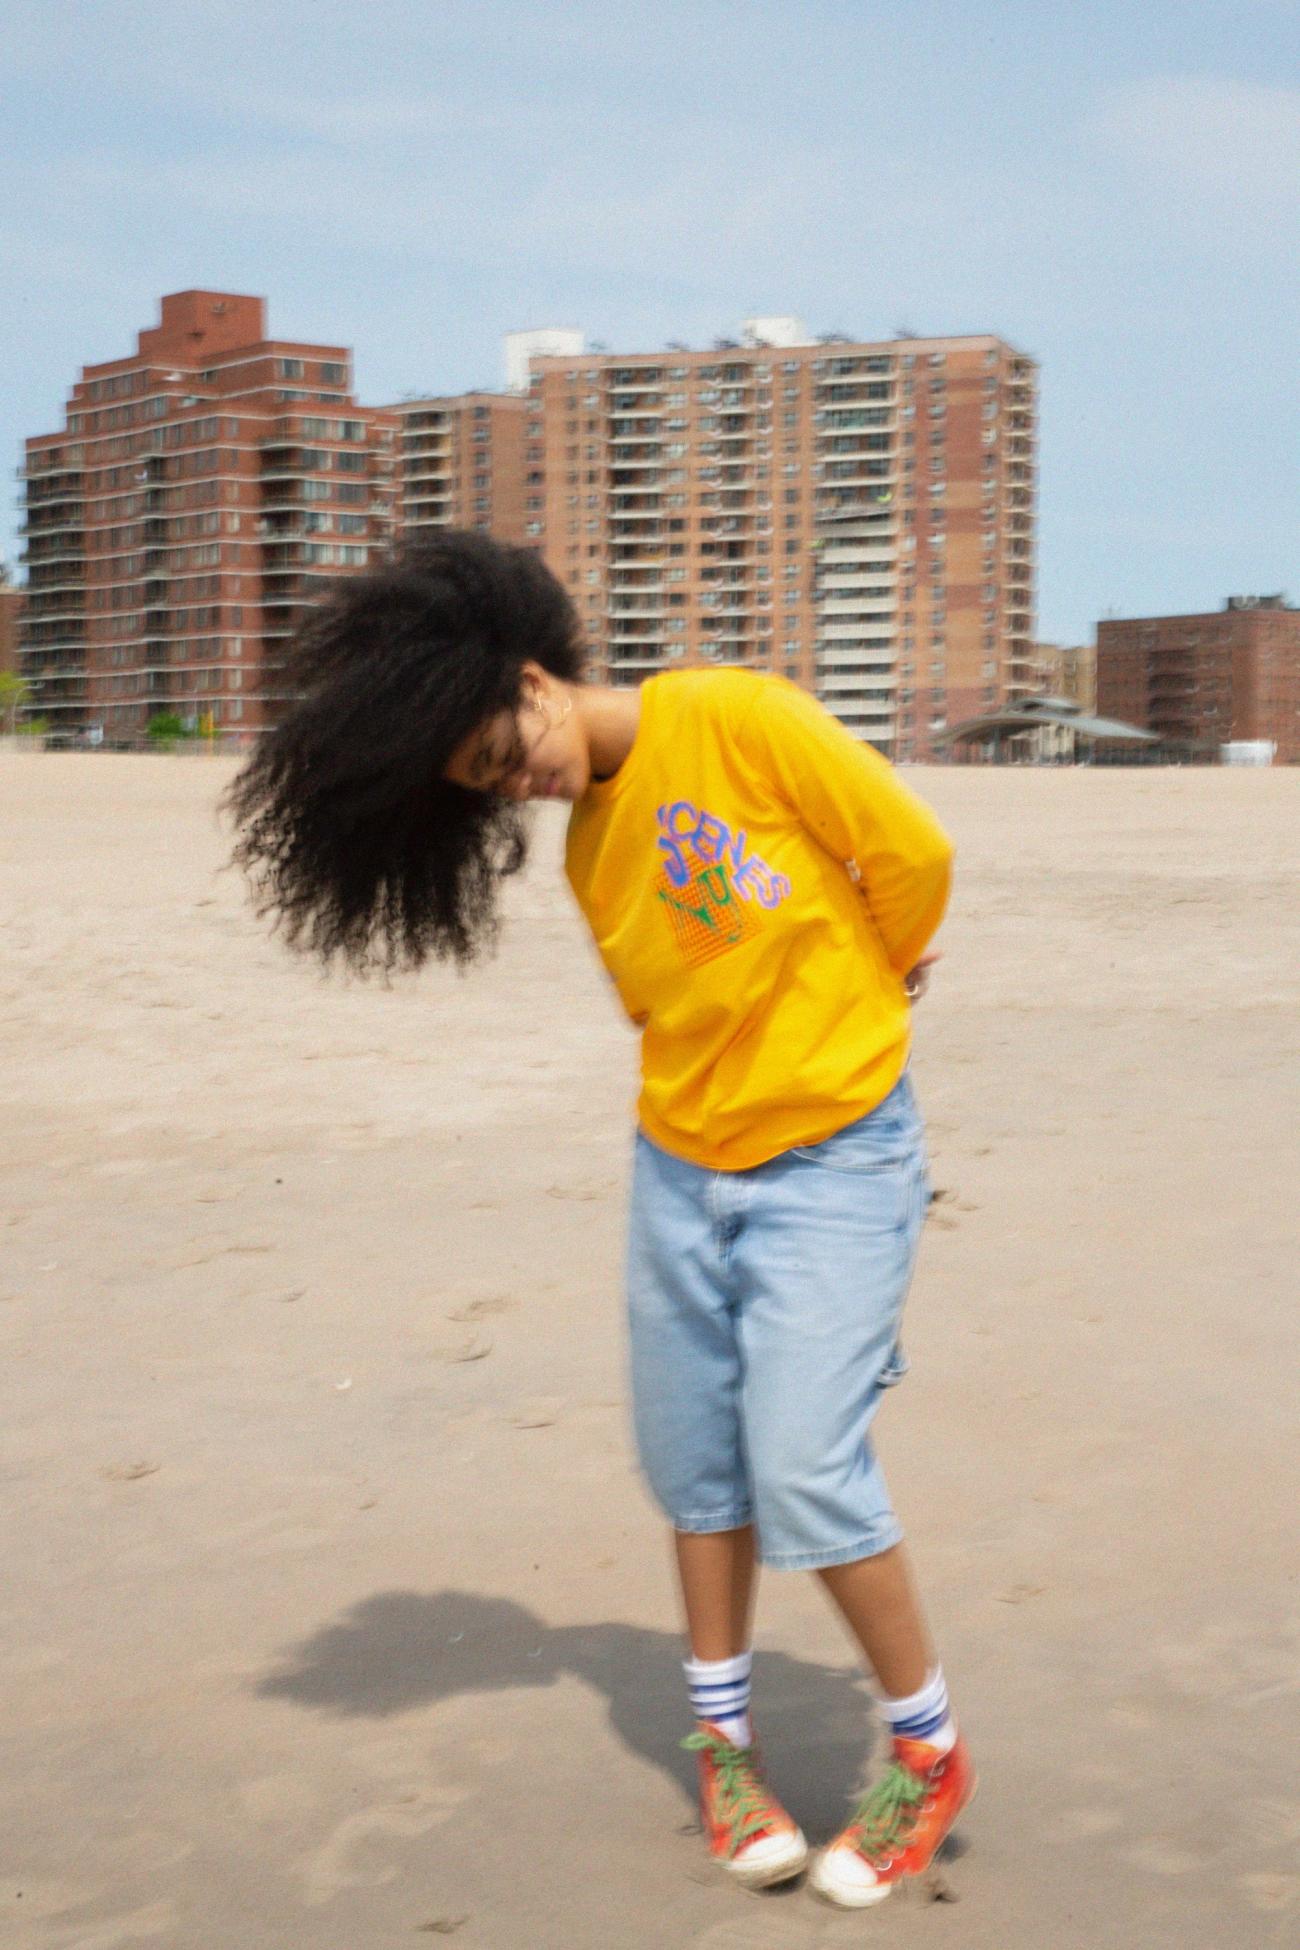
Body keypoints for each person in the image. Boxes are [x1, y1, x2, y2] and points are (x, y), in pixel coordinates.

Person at [226, 530, 974, 1908]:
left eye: (506, 745)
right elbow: (660, 1002)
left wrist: (885, 973)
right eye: (489, 785)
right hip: (680, 1168)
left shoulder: (735, 716)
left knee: (806, 1459)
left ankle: (927, 1752)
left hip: (837, 1155)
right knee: (697, 1465)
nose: (524, 777)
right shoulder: (584, 852)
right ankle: (723, 1747)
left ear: (528, 672)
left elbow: (908, 848)